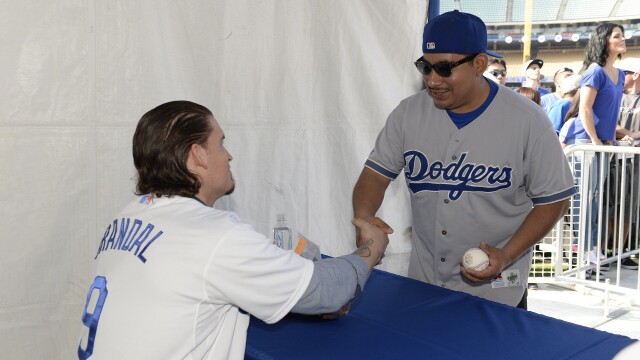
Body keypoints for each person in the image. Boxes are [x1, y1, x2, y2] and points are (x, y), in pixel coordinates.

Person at [77, 101, 389, 359]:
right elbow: (327, 291)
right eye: (220, 142)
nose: (228, 155)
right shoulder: (212, 234)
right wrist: (370, 248)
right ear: (198, 155)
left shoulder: (125, 217)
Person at [351, 10, 575, 309]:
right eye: (425, 67)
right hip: (424, 283)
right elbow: (375, 175)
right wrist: (364, 217)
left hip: (497, 289)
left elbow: (554, 200)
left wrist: (506, 254)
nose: (432, 80)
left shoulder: (527, 119)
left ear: (479, 64)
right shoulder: (408, 113)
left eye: (444, 68)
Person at [571, 22, 626, 266]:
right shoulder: (594, 71)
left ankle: (592, 247)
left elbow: (612, 112)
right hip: (587, 142)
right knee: (584, 199)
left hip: (605, 145)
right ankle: (583, 250)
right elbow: (585, 108)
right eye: (617, 35)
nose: (623, 39)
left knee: (595, 199)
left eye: (623, 35)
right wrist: (595, 141)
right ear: (604, 40)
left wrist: (611, 141)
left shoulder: (620, 73)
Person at [609, 57, 640, 269]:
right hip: (611, 156)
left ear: (636, 75)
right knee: (608, 204)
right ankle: (605, 251)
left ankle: (621, 252)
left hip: (635, 160)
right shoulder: (614, 95)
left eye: (625, 72)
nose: (621, 76)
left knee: (628, 207)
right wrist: (628, 133)